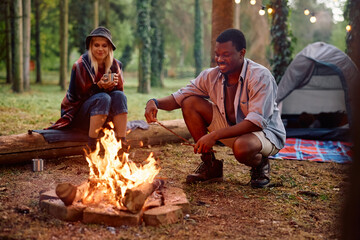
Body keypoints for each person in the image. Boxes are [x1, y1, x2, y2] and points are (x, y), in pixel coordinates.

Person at [144, 29, 285, 188]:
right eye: (217, 54)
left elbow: (256, 122)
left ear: (242, 53)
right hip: (232, 129)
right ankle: (211, 166)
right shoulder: (210, 76)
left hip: (265, 134)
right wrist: (154, 102)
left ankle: (260, 164)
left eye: (226, 55)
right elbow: (179, 97)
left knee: (242, 147)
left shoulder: (260, 76)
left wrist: (215, 135)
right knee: (189, 102)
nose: (219, 59)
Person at [48, 26, 128, 151]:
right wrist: (98, 86)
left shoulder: (116, 65)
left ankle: (122, 144)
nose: (100, 49)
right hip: (78, 116)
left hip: (104, 116)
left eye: (104, 45)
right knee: (103, 98)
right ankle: (91, 146)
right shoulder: (80, 65)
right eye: (96, 45)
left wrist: (113, 85)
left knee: (119, 96)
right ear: (91, 46)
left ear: (110, 48)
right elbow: (77, 98)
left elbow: (118, 97)